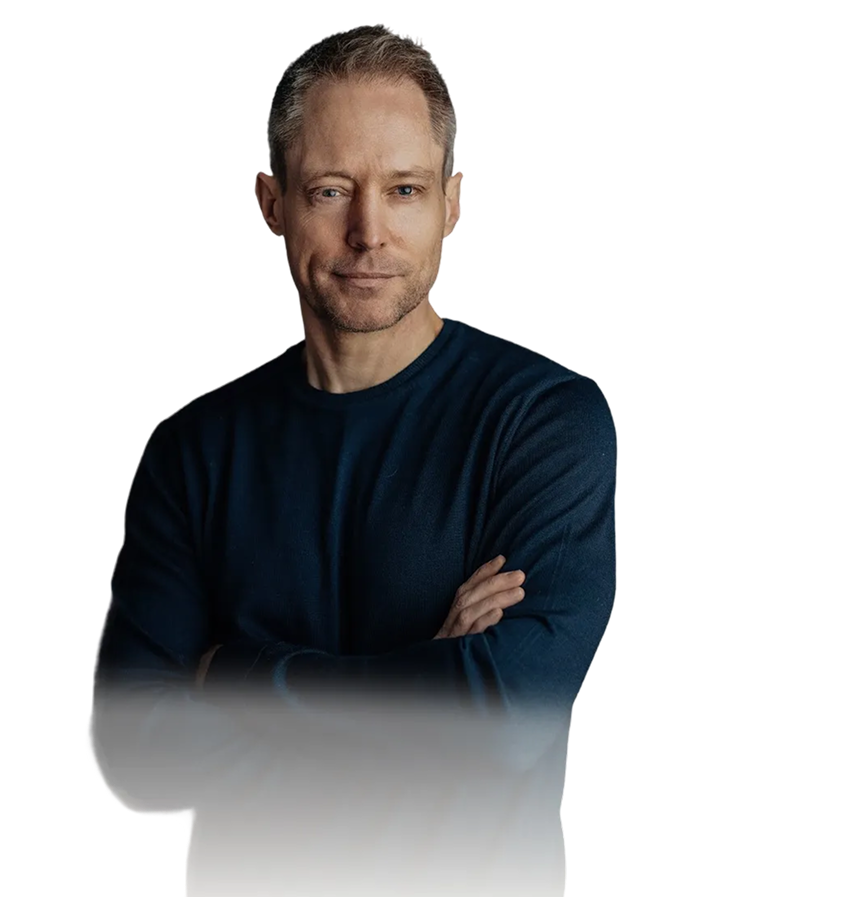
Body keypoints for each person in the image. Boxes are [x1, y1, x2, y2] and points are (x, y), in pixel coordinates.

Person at [88, 24, 616, 896]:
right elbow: (134, 751)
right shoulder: (193, 451)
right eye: (332, 189)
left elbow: (507, 720)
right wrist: (432, 680)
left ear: (451, 206)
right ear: (271, 202)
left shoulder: (544, 424)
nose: (369, 231)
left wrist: (242, 673)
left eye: (404, 188)